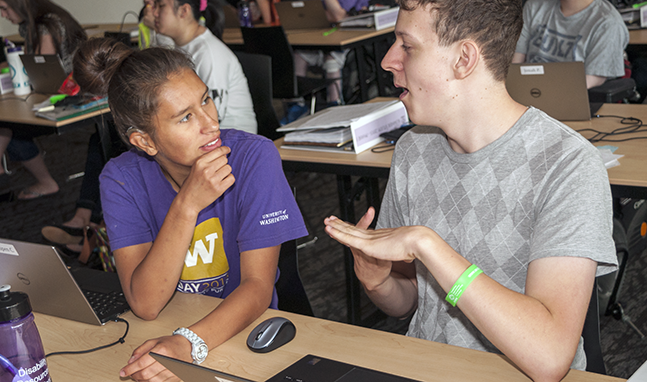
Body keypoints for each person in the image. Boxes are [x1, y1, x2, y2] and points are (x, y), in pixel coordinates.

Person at [323, 0, 618, 380]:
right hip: (427, 368)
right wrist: (377, 280)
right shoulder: (414, 148)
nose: (388, 60)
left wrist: (428, 245)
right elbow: (408, 301)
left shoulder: (567, 164)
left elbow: (548, 357)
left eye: (407, 46)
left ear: (464, 59)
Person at [72, 37, 307, 381]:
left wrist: (189, 343)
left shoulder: (254, 157)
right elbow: (146, 303)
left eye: (206, 100)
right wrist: (187, 205)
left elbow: (257, 285)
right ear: (145, 141)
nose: (211, 123)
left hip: (242, 332)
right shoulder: (120, 179)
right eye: (185, 118)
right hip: (167, 328)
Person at [0, 0, 86, 199]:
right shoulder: (40, 23)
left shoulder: (46, 26)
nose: (3, 15)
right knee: (8, 122)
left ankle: (45, 181)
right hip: (61, 91)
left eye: (5, 8)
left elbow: (42, 71)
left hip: (70, 96)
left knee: (9, 123)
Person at [153, 0, 257, 133]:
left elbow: (212, 117)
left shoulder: (209, 53)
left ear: (184, 11)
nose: (154, 13)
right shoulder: (182, 47)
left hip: (231, 140)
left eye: (161, 6)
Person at [283, 0, 369, 124]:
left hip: (347, 40)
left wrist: (327, 14)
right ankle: (296, 104)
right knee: (299, 56)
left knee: (331, 58)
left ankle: (334, 103)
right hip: (319, 36)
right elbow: (305, 15)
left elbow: (338, 17)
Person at [512, 0, 629, 89]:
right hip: (529, 91)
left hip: (573, 98)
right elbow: (515, 62)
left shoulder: (608, 23)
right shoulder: (534, 5)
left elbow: (592, 80)